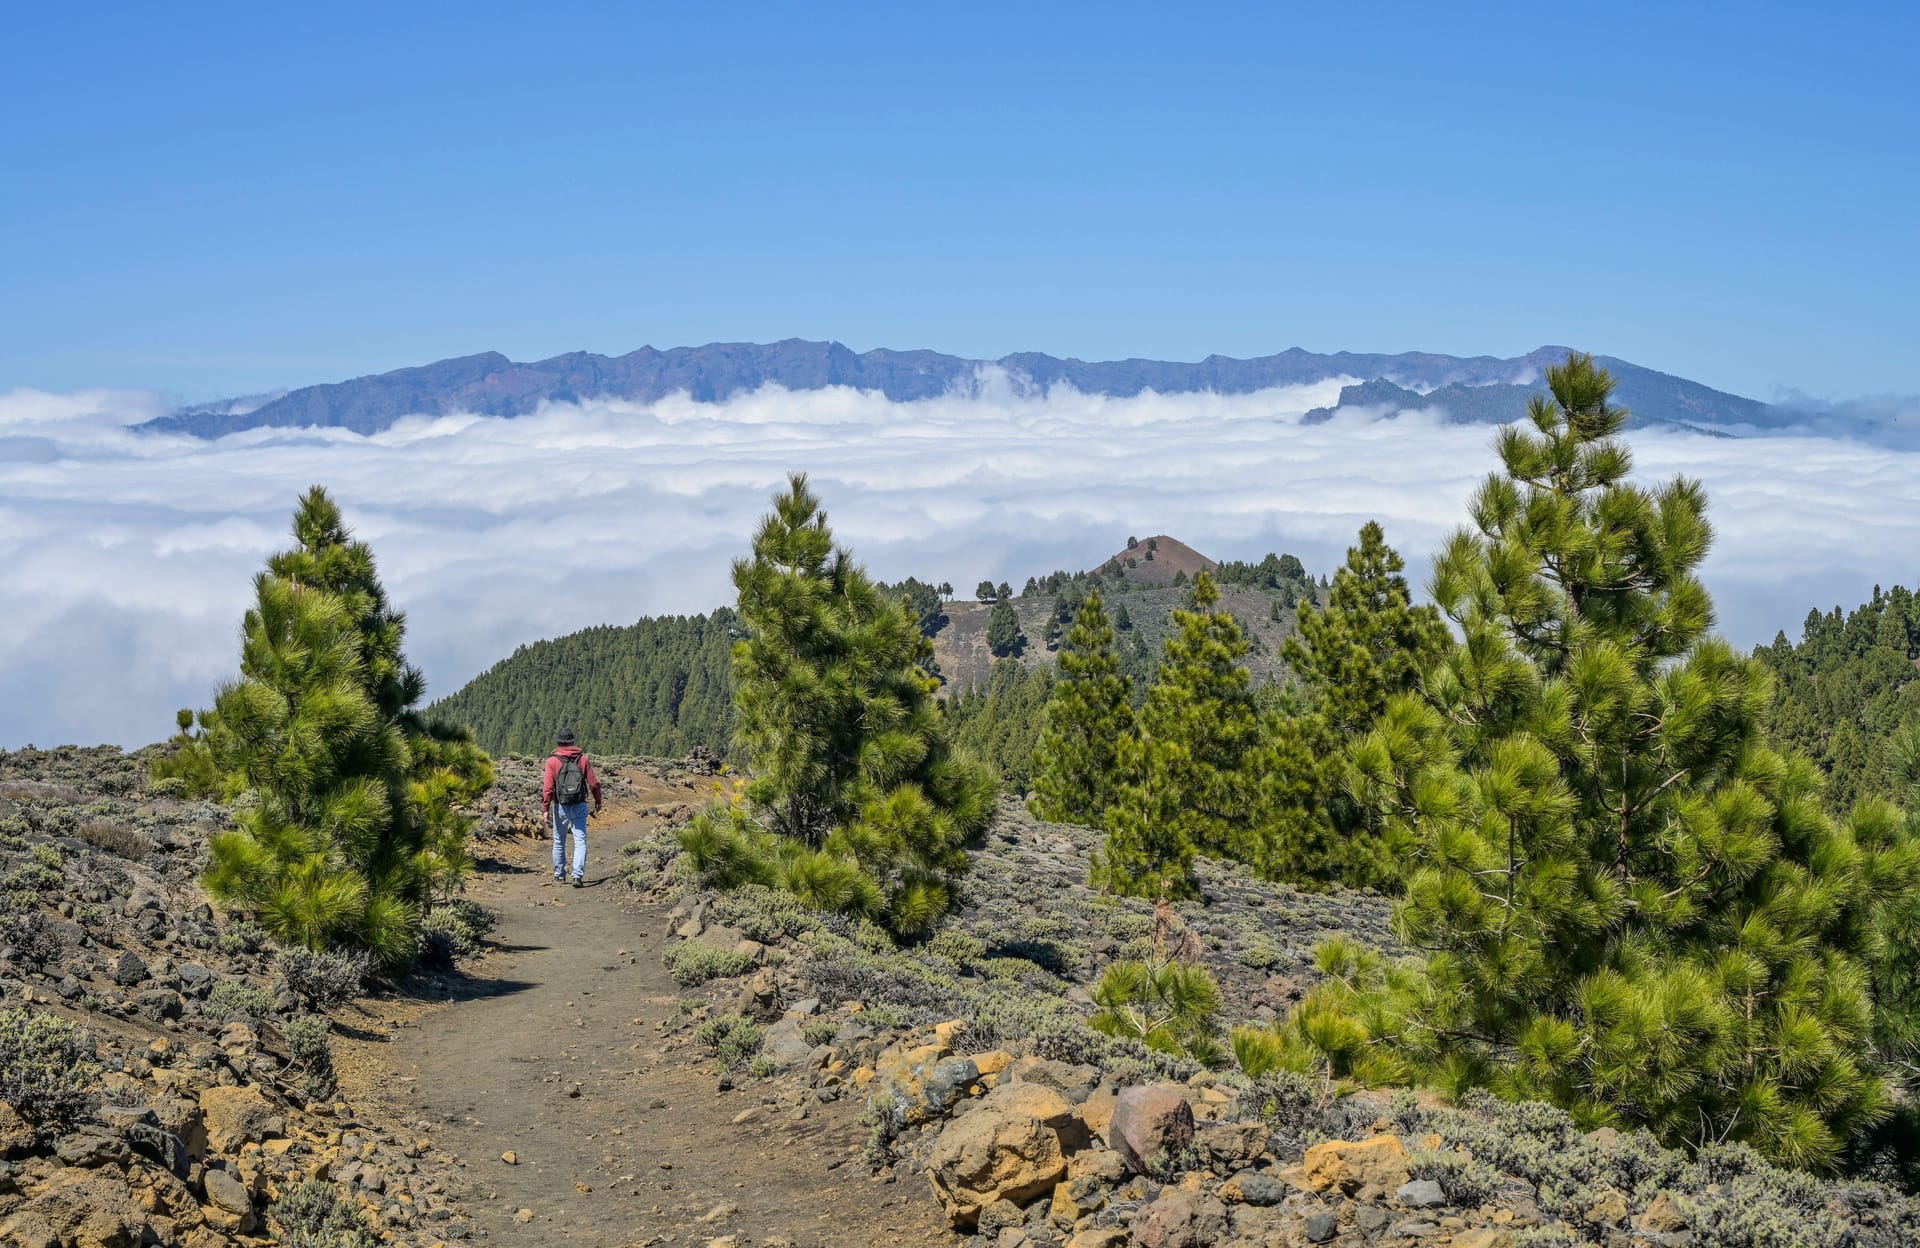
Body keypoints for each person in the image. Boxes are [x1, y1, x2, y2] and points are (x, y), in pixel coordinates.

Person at [542, 729, 602, 886]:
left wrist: (546, 808)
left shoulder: (552, 761)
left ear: (558, 743)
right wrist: (598, 801)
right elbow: (594, 783)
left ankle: (560, 874)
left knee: (559, 840)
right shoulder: (582, 759)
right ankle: (577, 875)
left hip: (560, 804)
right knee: (580, 839)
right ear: (573, 742)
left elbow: (548, 787)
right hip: (579, 803)